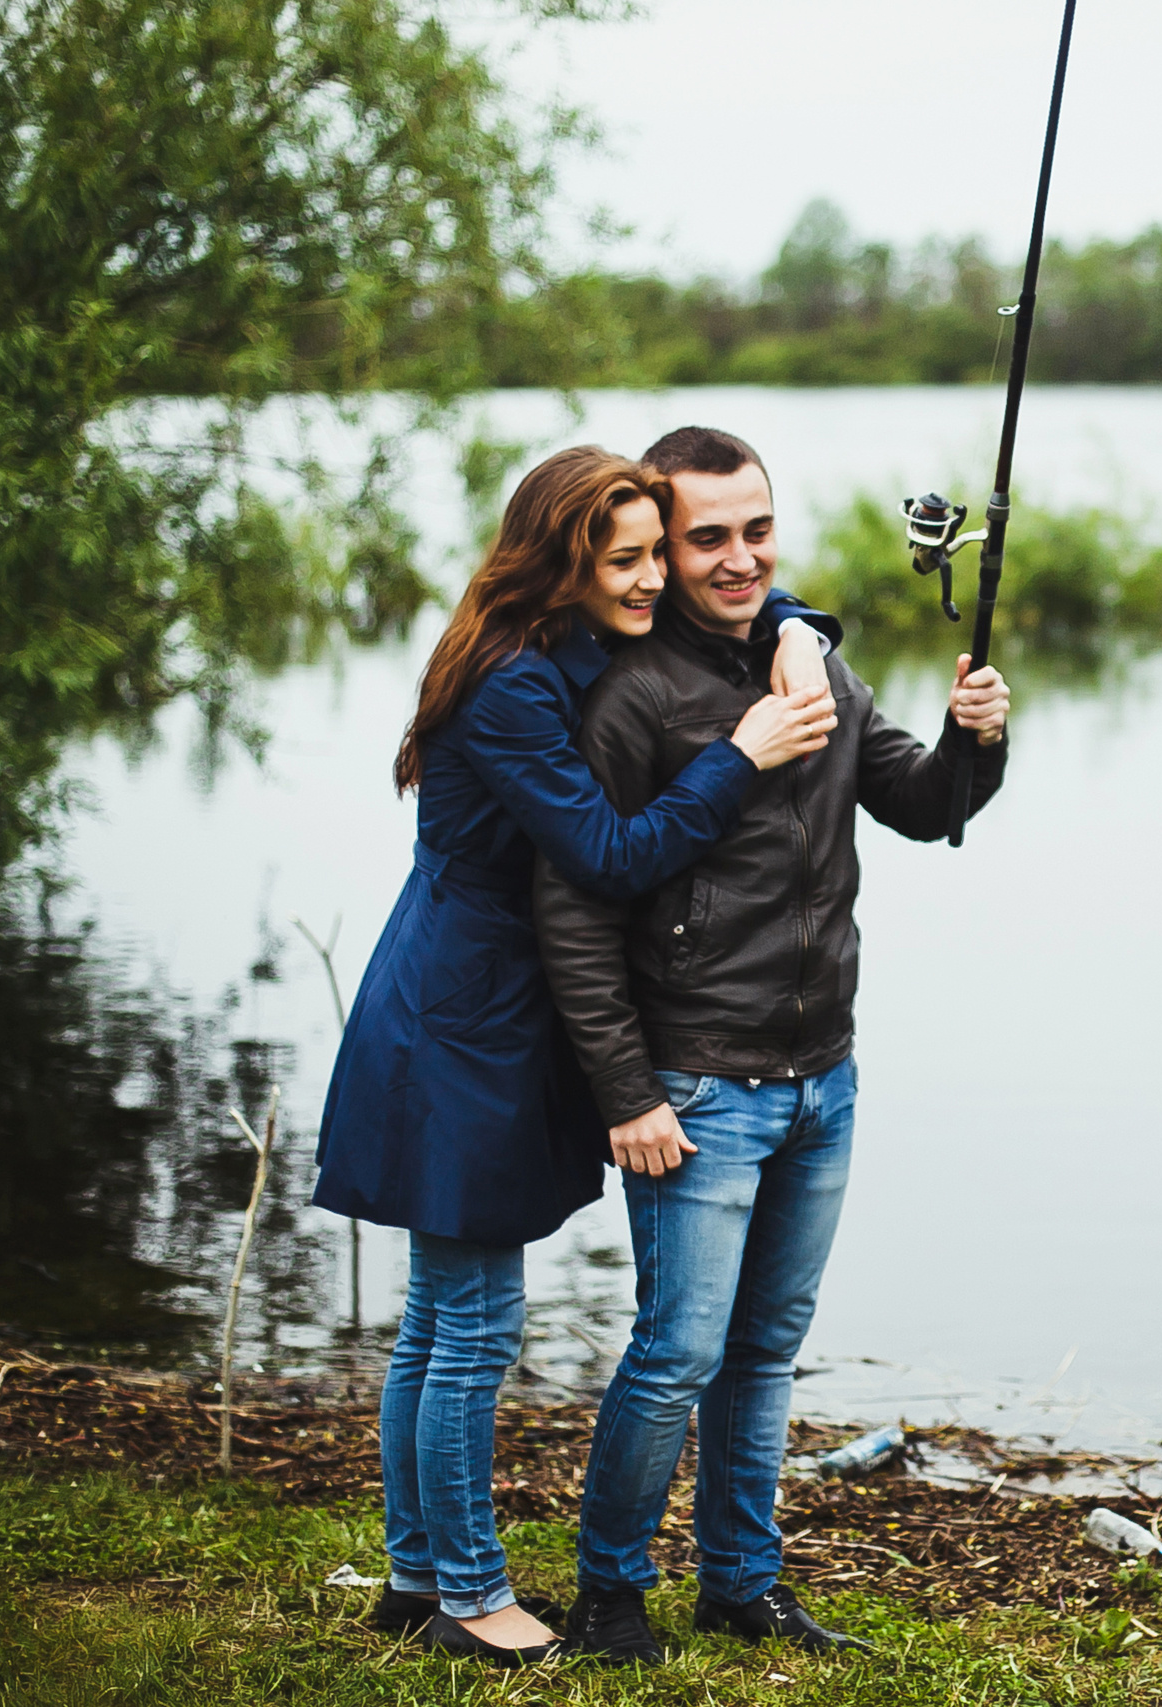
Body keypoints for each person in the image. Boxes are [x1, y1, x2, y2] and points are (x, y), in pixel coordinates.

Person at [310, 445, 844, 1668]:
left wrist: (801, 628)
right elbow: (607, 855)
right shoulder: (511, 685)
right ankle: (467, 1594)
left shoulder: (565, 649)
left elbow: (745, 602)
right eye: (630, 558)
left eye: (661, 549)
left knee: (436, 1321)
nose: (657, 577)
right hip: (463, 1018)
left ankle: (410, 1573)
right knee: (472, 1324)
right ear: (561, 565)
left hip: (484, 1006)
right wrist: (740, 755)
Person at [534, 426, 1011, 1662]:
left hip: (822, 1076)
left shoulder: (818, 670)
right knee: (677, 1349)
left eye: (757, 531)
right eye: (707, 539)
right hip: (697, 1086)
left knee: (765, 1352)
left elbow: (922, 805)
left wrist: (975, 740)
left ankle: (742, 1584)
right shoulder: (633, 698)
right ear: (658, 545)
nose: (738, 559)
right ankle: (609, 1596)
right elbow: (575, 913)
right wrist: (627, 1092)